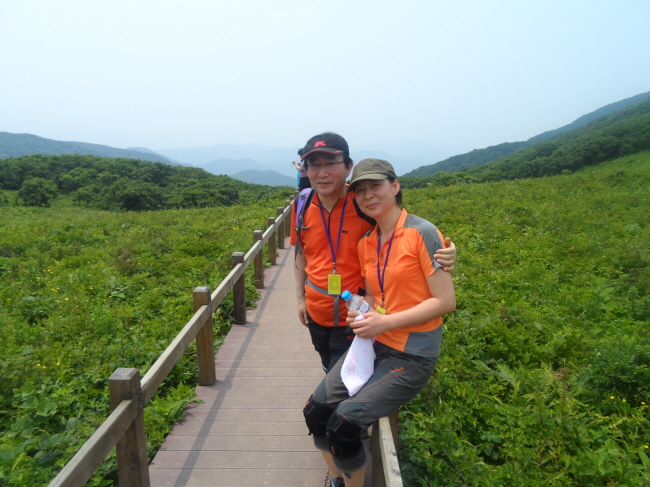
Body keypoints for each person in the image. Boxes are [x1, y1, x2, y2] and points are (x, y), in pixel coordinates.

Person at [303, 157, 456, 487]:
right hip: (373, 346)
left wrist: (384, 323)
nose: (368, 195)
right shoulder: (367, 242)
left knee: (344, 424)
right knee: (315, 412)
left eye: (376, 185)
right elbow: (375, 295)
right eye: (360, 190)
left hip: (412, 355)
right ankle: (337, 478)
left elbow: (445, 301)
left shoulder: (422, 232)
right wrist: (363, 311)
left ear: (395, 186)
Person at [290, 133, 457, 375]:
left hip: (357, 315)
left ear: (348, 167)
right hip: (316, 310)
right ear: (306, 169)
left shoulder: (363, 202)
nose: (322, 172)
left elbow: (403, 229)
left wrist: (447, 251)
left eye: (331, 163)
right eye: (314, 165)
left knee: (346, 377)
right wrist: (300, 299)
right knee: (328, 367)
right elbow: (300, 254)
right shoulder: (302, 204)